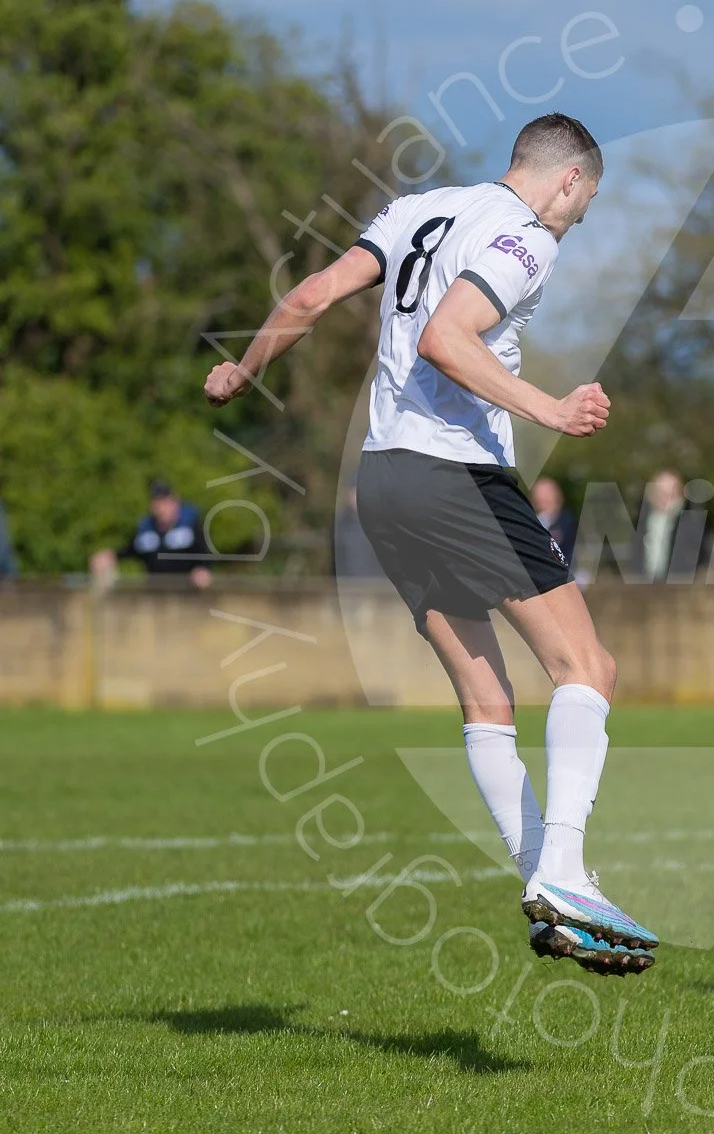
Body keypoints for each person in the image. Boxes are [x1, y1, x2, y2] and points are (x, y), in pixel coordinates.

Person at [203, 113, 654, 976]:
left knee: (487, 701)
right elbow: (447, 338)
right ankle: (563, 873)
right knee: (588, 668)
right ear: (568, 178)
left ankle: (547, 887)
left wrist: (244, 369)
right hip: (456, 478)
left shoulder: (416, 208)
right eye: (586, 202)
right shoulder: (527, 238)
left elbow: (311, 296)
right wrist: (551, 410)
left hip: (382, 482)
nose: (579, 219)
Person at [89, 480, 212, 589]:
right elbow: (130, 550)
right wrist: (111, 556)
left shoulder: (191, 524)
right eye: (157, 504)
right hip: (155, 594)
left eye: (165, 503)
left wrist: (202, 569)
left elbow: (205, 553)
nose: (161, 509)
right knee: (102, 564)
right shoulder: (147, 529)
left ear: (175, 502)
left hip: (189, 593)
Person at [331, 485, 385, 580]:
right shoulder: (340, 523)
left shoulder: (382, 521)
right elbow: (336, 556)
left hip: (378, 583)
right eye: (353, 492)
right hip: (349, 582)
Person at [530, 476, 577, 564]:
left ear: (556, 495)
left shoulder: (566, 522)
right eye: (539, 493)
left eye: (547, 493)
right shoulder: (530, 520)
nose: (542, 497)